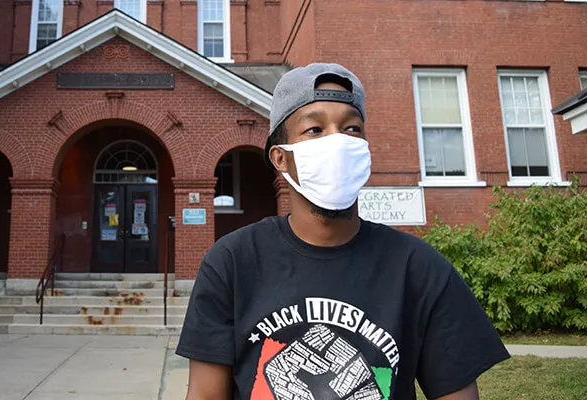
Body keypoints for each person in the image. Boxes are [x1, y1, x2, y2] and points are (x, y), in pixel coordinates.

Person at [175, 63, 509, 400]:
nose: (337, 141)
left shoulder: (419, 269)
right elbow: (205, 394)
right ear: (280, 158)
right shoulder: (231, 263)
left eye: (351, 128)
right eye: (315, 130)